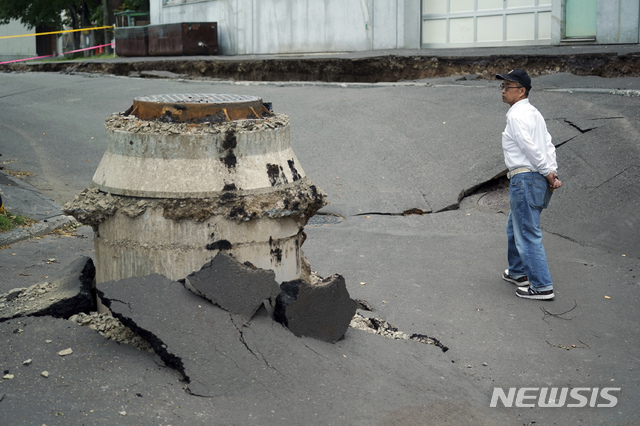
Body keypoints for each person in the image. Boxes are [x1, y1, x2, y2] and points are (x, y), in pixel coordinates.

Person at [496, 69, 562, 300]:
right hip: (535, 178)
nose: (503, 91)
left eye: (508, 87)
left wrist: (546, 173)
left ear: (522, 90)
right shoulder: (534, 113)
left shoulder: (516, 116)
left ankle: (542, 286)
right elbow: (548, 144)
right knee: (514, 225)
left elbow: (530, 147)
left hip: (525, 178)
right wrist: (552, 172)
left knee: (527, 232)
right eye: (502, 87)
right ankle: (517, 271)